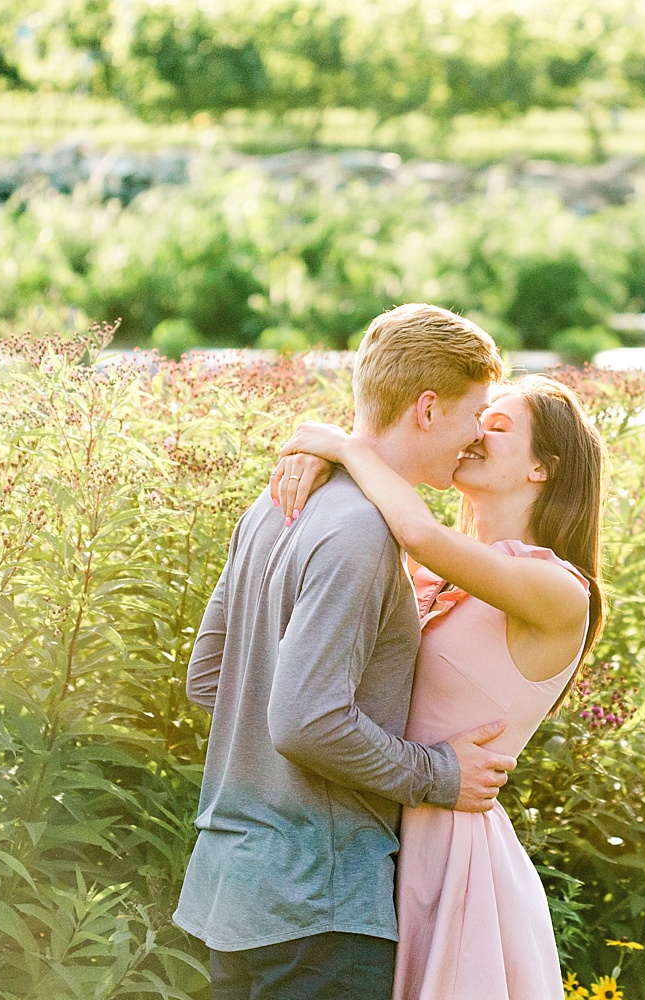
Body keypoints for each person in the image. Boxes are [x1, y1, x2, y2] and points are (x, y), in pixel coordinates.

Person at [173, 304, 519, 1000]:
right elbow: (305, 720)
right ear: (426, 408)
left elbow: (210, 676)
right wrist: (437, 774)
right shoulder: (362, 533)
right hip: (317, 911)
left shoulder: (273, 506)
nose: (477, 435)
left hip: (234, 894)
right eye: (474, 412)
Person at [270, 373, 606, 1000]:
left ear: (542, 468)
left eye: (498, 426)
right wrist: (326, 471)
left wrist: (347, 449)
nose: (476, 431)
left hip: (449, 851)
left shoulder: (560, 592)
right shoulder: (427, 569)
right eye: (478, 417)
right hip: (371, 824)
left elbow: (418, 530)